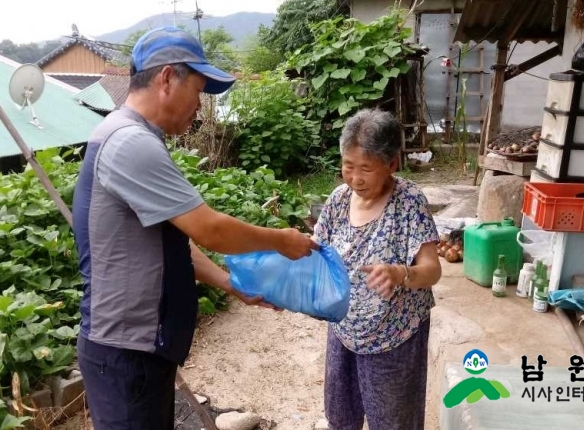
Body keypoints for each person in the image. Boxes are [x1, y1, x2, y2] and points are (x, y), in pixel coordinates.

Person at [70, 26, 317, 430]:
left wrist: (229, 283)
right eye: (198, 90)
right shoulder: (129, 142)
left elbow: (172, 242)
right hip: (125, 352)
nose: (199, 107)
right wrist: (282, 241)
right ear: (167, 77)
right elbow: (210, 230)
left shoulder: (135, 137)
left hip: (140, 351)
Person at [312, 109, 442, 430]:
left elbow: (432, 269)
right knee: (341, 416)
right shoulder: (339, 200)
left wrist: (402, 274)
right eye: (348, 166)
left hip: (393, 336)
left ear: (392, 164)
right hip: (343, 330)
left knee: (393, 421)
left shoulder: (409, 202)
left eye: (366, 169)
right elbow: (317, 250)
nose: (354, 178)